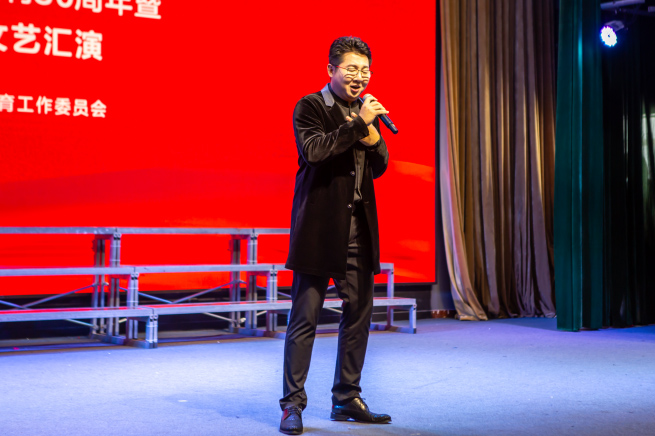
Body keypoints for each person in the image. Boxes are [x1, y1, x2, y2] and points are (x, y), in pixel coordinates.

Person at [279, 36, 391, 435]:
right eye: (352, 69)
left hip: (359, 228)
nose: (360, 77)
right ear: (331, 70)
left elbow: (379, 166)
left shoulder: (363, 113)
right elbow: (315, 151)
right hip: (319, 230)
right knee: (304, 319)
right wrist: (360, 125)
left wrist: (374, 139)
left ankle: (346, 397)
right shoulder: (310, 106)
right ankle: (292, 405)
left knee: (358, 316)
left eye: (365, 70)